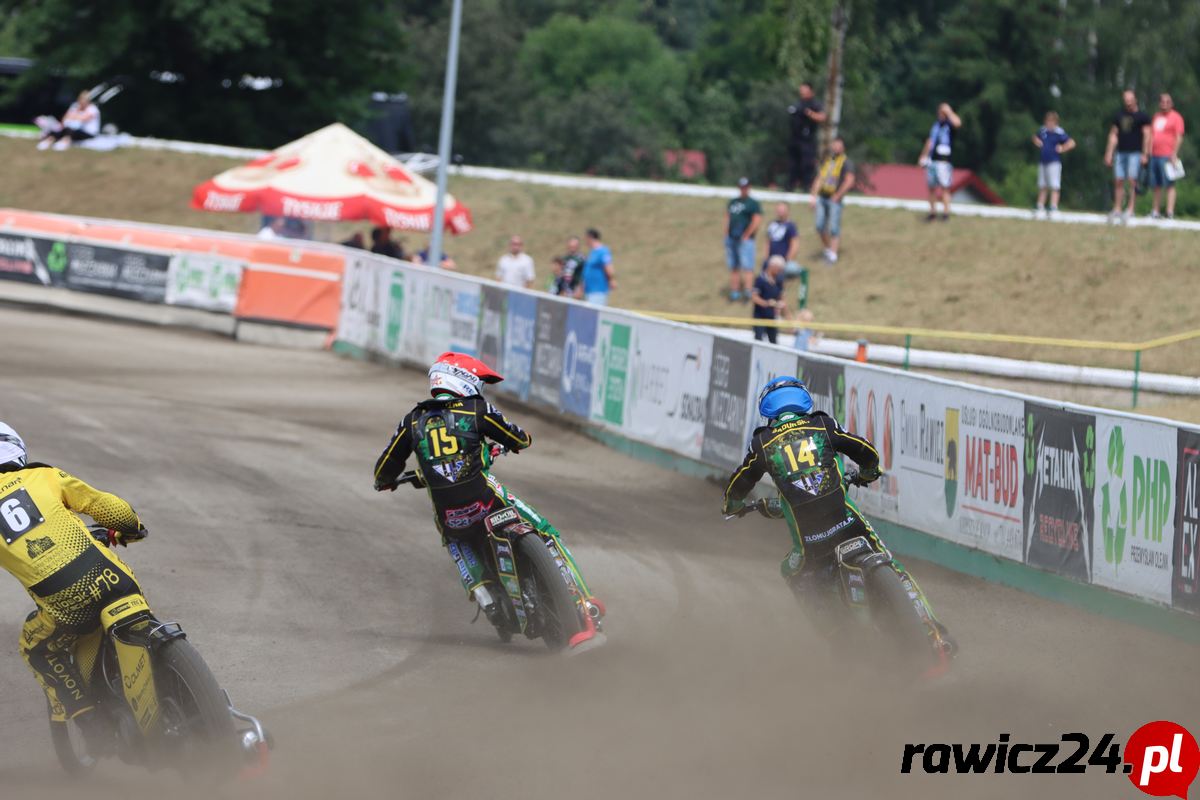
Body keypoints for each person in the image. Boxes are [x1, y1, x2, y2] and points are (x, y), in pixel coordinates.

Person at [372, 353, 603, 648]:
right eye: (479, 381)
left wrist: (386, 482)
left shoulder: (413, 420)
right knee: (545, 531)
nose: (481, 387)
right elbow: (518, 439)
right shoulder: (476, 409)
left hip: (451, 515)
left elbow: (384, 469)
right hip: (485, 500)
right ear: (464, 379)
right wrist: (520, 441)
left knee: (455, 541)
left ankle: (484, 595)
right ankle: (583, 601)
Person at [721, 380, 954, 665]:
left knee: (792, 573)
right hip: (848, 522)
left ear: (768, 412)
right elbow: (866, 451)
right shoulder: (823, 425)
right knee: (893, 564)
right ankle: (935, 633)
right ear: (805, 403)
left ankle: (838, 637)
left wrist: (732, 506)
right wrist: (869, 473)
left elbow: (740, 482)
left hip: (811, 542)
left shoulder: (762, 443)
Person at [0, 423, 149, 748]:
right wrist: (133, 529)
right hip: (114, 578)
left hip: (67, 603)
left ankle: (90, 723)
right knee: (140, 608)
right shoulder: (44, 475)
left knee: (36, 649)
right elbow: (107, 507)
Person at [1103, 90, 1151, 225]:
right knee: (1118, 180)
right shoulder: (1119, 116)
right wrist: (1109, 152)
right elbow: (1113, 135)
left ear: (1135, 99)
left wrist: (1145, 153)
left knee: (1132, 180)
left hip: (1135, 153)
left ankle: (1130, 209)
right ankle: (1117, 208)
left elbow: (1147, 136)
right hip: (1120, 152)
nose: (1128, 102)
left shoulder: (1142, 117)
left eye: (1130, 99)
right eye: (1126, 99)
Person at [809, 137, 856, 263]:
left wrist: (838, 195)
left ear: (843, 147)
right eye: (834, 145)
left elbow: (849, 180)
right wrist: (813, 196)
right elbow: (820, 178)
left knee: (834, 227)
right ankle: (828, 249)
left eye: (838, 145)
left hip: (834, 198)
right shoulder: (828, 161)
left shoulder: (846, 162)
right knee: (819, 226)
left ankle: (833, 254)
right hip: (822, 196)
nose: (835, 147)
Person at [918, 103, 962, 221]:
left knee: (945, 188)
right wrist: (924, 156)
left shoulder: (950, 125)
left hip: (944, 162)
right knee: (931, 187)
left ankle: (946, 214)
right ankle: (932, 213)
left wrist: (949, 111)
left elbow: (958, 123)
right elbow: (930, 141)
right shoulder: (935, 126)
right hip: (932, 161)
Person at [1031, 111, 1075, 218]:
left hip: (1054, 161)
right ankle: (1040, 205)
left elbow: (1071, 142)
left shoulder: (1059, 132)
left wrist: (1062, 148)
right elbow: (1034, 137)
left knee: (1054, 184)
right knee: (1043, 184)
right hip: (1043, 161)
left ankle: (1053, 206)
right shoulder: (1043, 130)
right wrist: (1037, 142)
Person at [725, 178, 762, 302]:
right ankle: (734, 290)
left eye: (745, 186)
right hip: (732, 237)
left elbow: (756, 220)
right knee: (734, 265)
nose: (743, 189)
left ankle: (747, 289)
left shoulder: (752, 203)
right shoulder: (733, 202)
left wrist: (747, 234)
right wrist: (726, 233)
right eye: (741, 186)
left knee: (747, 265)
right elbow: (728, 218)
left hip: (746, 239)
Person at [1149, 93, 1185, 220]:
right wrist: (1148, 151)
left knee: (1169, 184)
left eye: (1167, 102)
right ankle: (1155, 211)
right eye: (1162, 102)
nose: (1164, 104)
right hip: (1154, 154)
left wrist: (1174, 153)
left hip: (1168, 155)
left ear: (1171, 103)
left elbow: (1179, 136)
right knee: (1156, 185)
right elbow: (1151, 135)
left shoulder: (1176, 117)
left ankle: (1169, 212)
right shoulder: (1156, 117)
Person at [786, 82, 827, 192]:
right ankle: (791, 185)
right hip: (795, 138)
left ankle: (807, 186)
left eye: (805, 90)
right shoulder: (798, 104)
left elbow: (822, 117)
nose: (802, 93)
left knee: (807, 164)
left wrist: (809, 114)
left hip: (807, 140)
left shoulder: (815, 104)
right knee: (793, 163)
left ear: (811, 91)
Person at [36, 91, 101, 151]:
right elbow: (65, 117)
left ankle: (65, 141)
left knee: (70, 130)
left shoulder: (93, 109)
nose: (81, 101)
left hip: (87, 132)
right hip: (71, 129)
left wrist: (73, 116)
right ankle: (49, 140)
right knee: (60, 129)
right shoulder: (75, 106)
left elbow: (83, 118)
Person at [751, 256, 786, 344]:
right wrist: (766, 303)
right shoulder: (760, 279)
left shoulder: (779, 281)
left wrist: (780, 305)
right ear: (772, 266)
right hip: (760, 316)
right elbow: (754, 297)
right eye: (779, 269)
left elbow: (781, 297)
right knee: (758, 340)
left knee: (773, 341)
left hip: (772, 317)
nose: (780, 271)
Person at [579, 228, 615, 305]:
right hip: (589, 291)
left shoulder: (603, 251)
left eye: (586, 239)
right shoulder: (592, 252)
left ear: (590, 237)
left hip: (598, 291)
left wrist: (611, 279)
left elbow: (608, 267)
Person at [764, 203, 800, 275]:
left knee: (791, 269)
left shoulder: (791, 226)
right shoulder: (772, 224)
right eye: (779, 209)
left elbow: (795, 243)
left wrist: (788, 259)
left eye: (783, 210)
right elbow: (768, 242)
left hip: (783, 258)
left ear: (788, 211)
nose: (780, 212)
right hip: (772, 258)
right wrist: (766, 257)